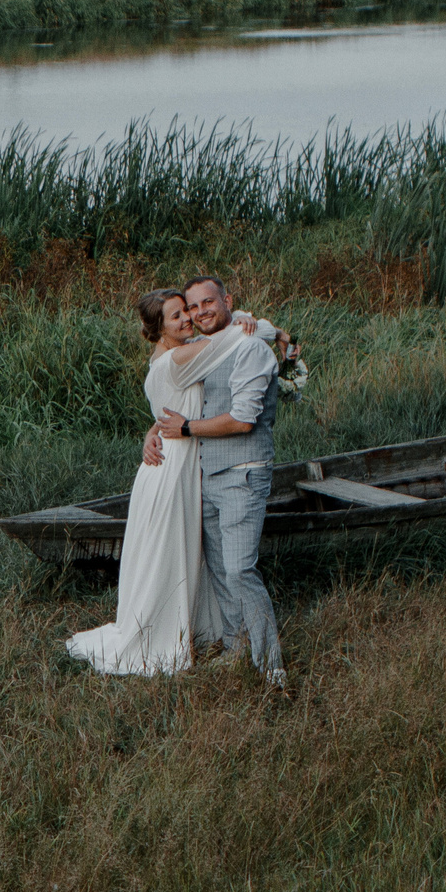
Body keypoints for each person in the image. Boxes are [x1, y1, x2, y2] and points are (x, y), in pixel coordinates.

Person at [65, 290, 241, 677]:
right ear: (158, 328)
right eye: (175, 316)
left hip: (178, 462)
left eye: (186, 311)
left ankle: (192, 625)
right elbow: (226, 341)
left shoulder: (179, 351)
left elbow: (173, 407)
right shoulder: (176, 358)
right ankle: (156, 634)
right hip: (171, 469)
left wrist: (151, 430)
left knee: (185, 549)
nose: (186, 319)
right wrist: (251, 323)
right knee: (167, 553)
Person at [141, 274, 286, 685]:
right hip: (206, 476)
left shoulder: (250, 347)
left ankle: (270, 665)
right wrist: (153, 432)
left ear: (228, 301)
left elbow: (242, 421)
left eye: (208, 303)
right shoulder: (201, 350)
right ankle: (236, 647)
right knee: (221, 569)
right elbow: (173, 397)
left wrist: (186, 429)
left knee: (241, 570)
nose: (200, 312)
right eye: (192, 307)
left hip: (242, 473)